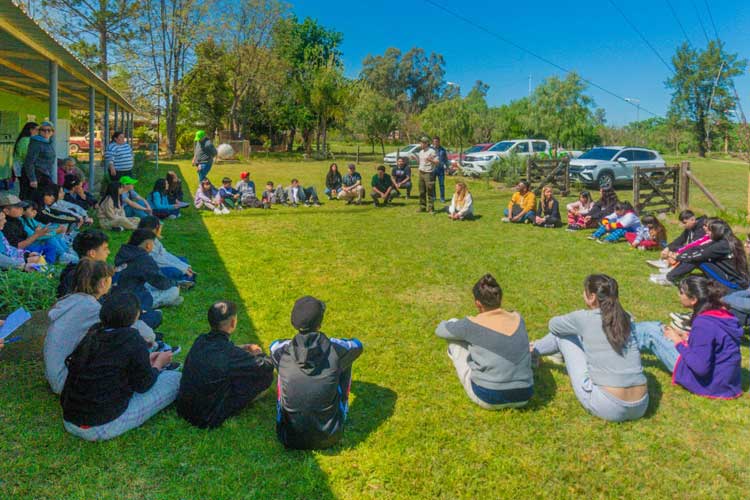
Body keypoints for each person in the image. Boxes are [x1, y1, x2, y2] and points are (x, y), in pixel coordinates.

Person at [60, 292, 180, 441]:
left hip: (70, 418)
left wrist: (145, 360)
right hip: (100, 426)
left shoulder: (94, 333)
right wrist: (158, 365)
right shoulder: (132, 339)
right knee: (176, 379)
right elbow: (144, 385)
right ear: (134, 315)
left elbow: (111, 364)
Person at [531, 274, 649, 422]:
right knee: (579, 334)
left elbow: (553, 326)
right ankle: (535, 350)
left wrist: (576, 322)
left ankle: (531, 351)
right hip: (641, 405)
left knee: (563, 335)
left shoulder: (584, 318)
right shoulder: (627, 318)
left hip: (609, 405)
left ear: (592, 296)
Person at [270, 296, 363, 449]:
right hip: (330, 436)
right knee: (346, 360)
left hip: (287, 435)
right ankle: (342, 406)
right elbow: (357, 345)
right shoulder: (336, 348)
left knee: (282, 369)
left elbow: (273, 345)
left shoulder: (281, 350)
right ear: (319, 324)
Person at [632, 276, 742, 399]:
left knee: (650, 332)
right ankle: (620, 336)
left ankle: (614, 339)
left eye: (681, 292)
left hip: (708, 384)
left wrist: (678, 342)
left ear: (694, 299)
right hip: (725, 382)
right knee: (659, 328)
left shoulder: (703, 324)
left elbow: (700, 368)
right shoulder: (724, 316)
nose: (679, 295)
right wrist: (690, 338)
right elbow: (715, 344)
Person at [434, 274, 533, 409]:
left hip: (488, 397)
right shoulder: (518, 318)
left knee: (454, 335)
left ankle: (460, 355)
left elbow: (440, 330)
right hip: (525, 395)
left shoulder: (471, 324)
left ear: (478, 304)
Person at [177, 301, 274, 428]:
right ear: (233, 322)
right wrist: (257, 352)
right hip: (206, 417)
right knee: (266, 377)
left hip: (183, 407)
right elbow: (266, 366)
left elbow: (222, 354)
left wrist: (241, 348)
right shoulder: (230, 355)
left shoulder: (201, 340)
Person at [45, 259, 115, 394]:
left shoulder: (70, 300)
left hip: (54, 374)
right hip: (65, 381)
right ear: (103, 283)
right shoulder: (92, 309)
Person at [660, 219, 749, 289]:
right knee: (693, 270)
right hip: (738, 278)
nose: (706, 233)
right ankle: (672, 275)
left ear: (717, 232)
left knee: (698, 260)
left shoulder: (722, 245)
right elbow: (700, 249)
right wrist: (678, 255)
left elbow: (700, 255)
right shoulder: (729, 240)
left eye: (709, 231)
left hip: (732, 282)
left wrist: (675, 256)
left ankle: (669, 278)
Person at [114, 229, 183, 308]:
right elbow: (160, 283)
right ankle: (161, 302)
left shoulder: (123, 251)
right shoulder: (143, 259)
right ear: (148, 245)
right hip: (132, 298)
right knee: (173, 291)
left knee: (147, 282)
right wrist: (174, 284)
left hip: (119, 289)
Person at [0, 193, 58, 263]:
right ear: (6, 211)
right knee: (50, 248)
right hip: (18, 251)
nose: (21, 209)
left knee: (49, 244)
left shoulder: (17, 220)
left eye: (22, 207)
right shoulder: (5, 225)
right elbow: (17, 246)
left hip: (22, 250)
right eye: (17, 207)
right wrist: (36, 235)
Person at [137, 216, 195, 285]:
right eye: (159, 228)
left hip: (159, 263)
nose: (161, 230)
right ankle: (181, 281)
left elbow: (165, 254)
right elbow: (159, 261)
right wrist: (182, 269)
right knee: (175, 271)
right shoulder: (145, 243)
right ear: (154, 229)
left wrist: (184, 266)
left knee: (183, 260)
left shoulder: (152, 238)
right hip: (150, 269)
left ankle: (185, 278)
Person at [57, 230, 110, 298]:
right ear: (92, 253)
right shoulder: (80, 276)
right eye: (105, 249)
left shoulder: (73, 271)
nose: (108, 252)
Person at [21, 121, 56, 199]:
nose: (46, 132)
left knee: (43, 196)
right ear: (39, 131)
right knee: (32, 198)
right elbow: (29, 161)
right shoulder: (36, 143)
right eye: (43, 130)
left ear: (52, 132)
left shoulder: (48, 142)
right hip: (35, 173)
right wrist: (32, 179)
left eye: (49, 130)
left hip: (43, 173)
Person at [11, 121, 38, 193]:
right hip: (23, 167)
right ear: (31, 130)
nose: (38, 132)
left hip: (24, 166)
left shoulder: (28, 139)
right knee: (26, 188)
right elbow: (25, 155)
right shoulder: (25, 140)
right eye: (36, 129)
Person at [416, 136, 439, 213]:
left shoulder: (432, 151)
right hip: (421, 173)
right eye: (420, 143)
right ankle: (422, 207)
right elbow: (421, 163)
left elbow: (437, 162)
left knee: (430, 191)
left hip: (428, 174)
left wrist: (430, 160)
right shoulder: (420, 152)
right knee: (422, 191)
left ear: (426, 143)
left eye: (422, 143)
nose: (420, 144)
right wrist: (415, 159)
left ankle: (431, 208)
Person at [432, 136, 449, 203]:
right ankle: (434, 197)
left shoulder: (443, 150)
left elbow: (446, 160)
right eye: (434, 141)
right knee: (433, 184)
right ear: (433, 142)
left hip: (440, 169)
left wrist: (447, 168)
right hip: (433, 169)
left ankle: (442, 198)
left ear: (439, 142)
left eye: (437, 141)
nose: (436, 143)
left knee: (441, 184)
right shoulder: (430, 149)